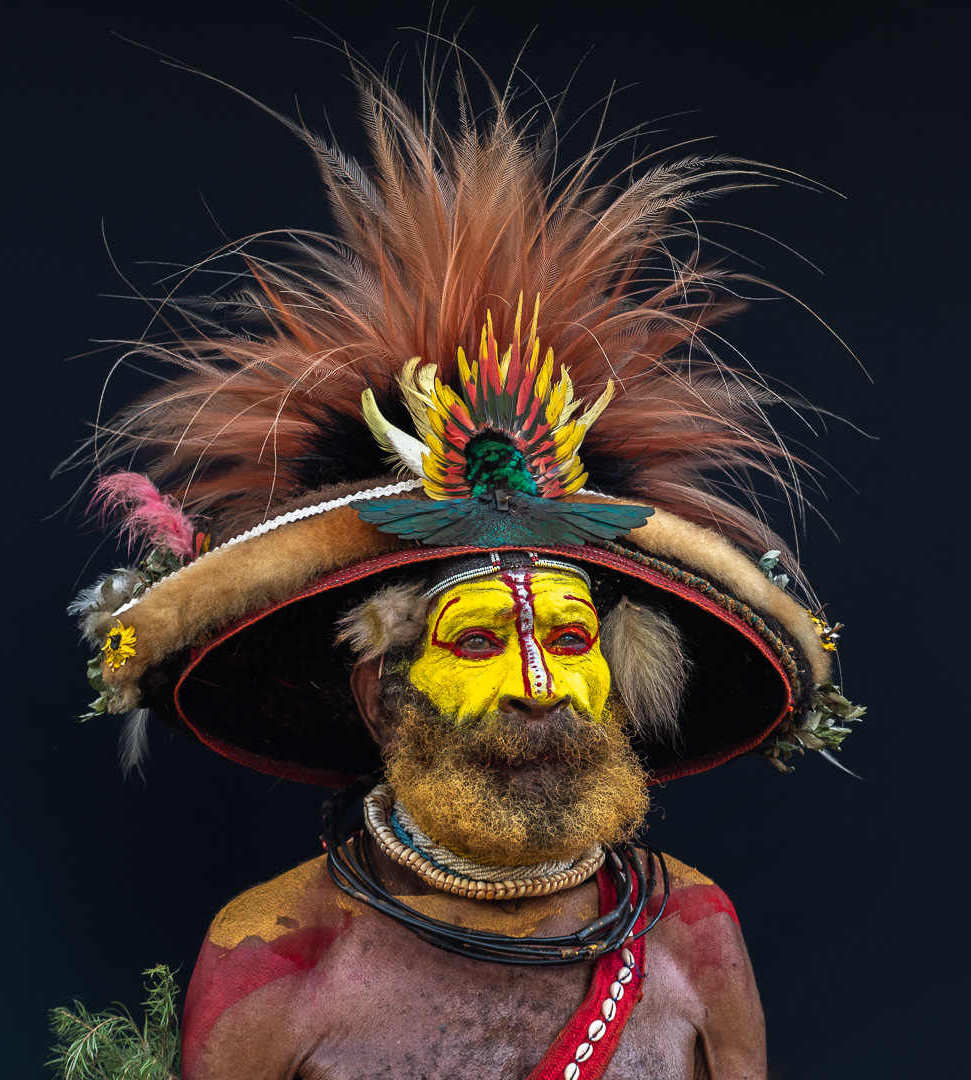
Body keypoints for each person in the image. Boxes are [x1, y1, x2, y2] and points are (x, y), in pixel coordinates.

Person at [65, 61, 862, 1079]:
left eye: (569, 638)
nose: (539, 683)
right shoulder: (275, 962)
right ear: (379, 692)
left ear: (620, 670)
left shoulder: (692, 935)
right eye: (479, 639)